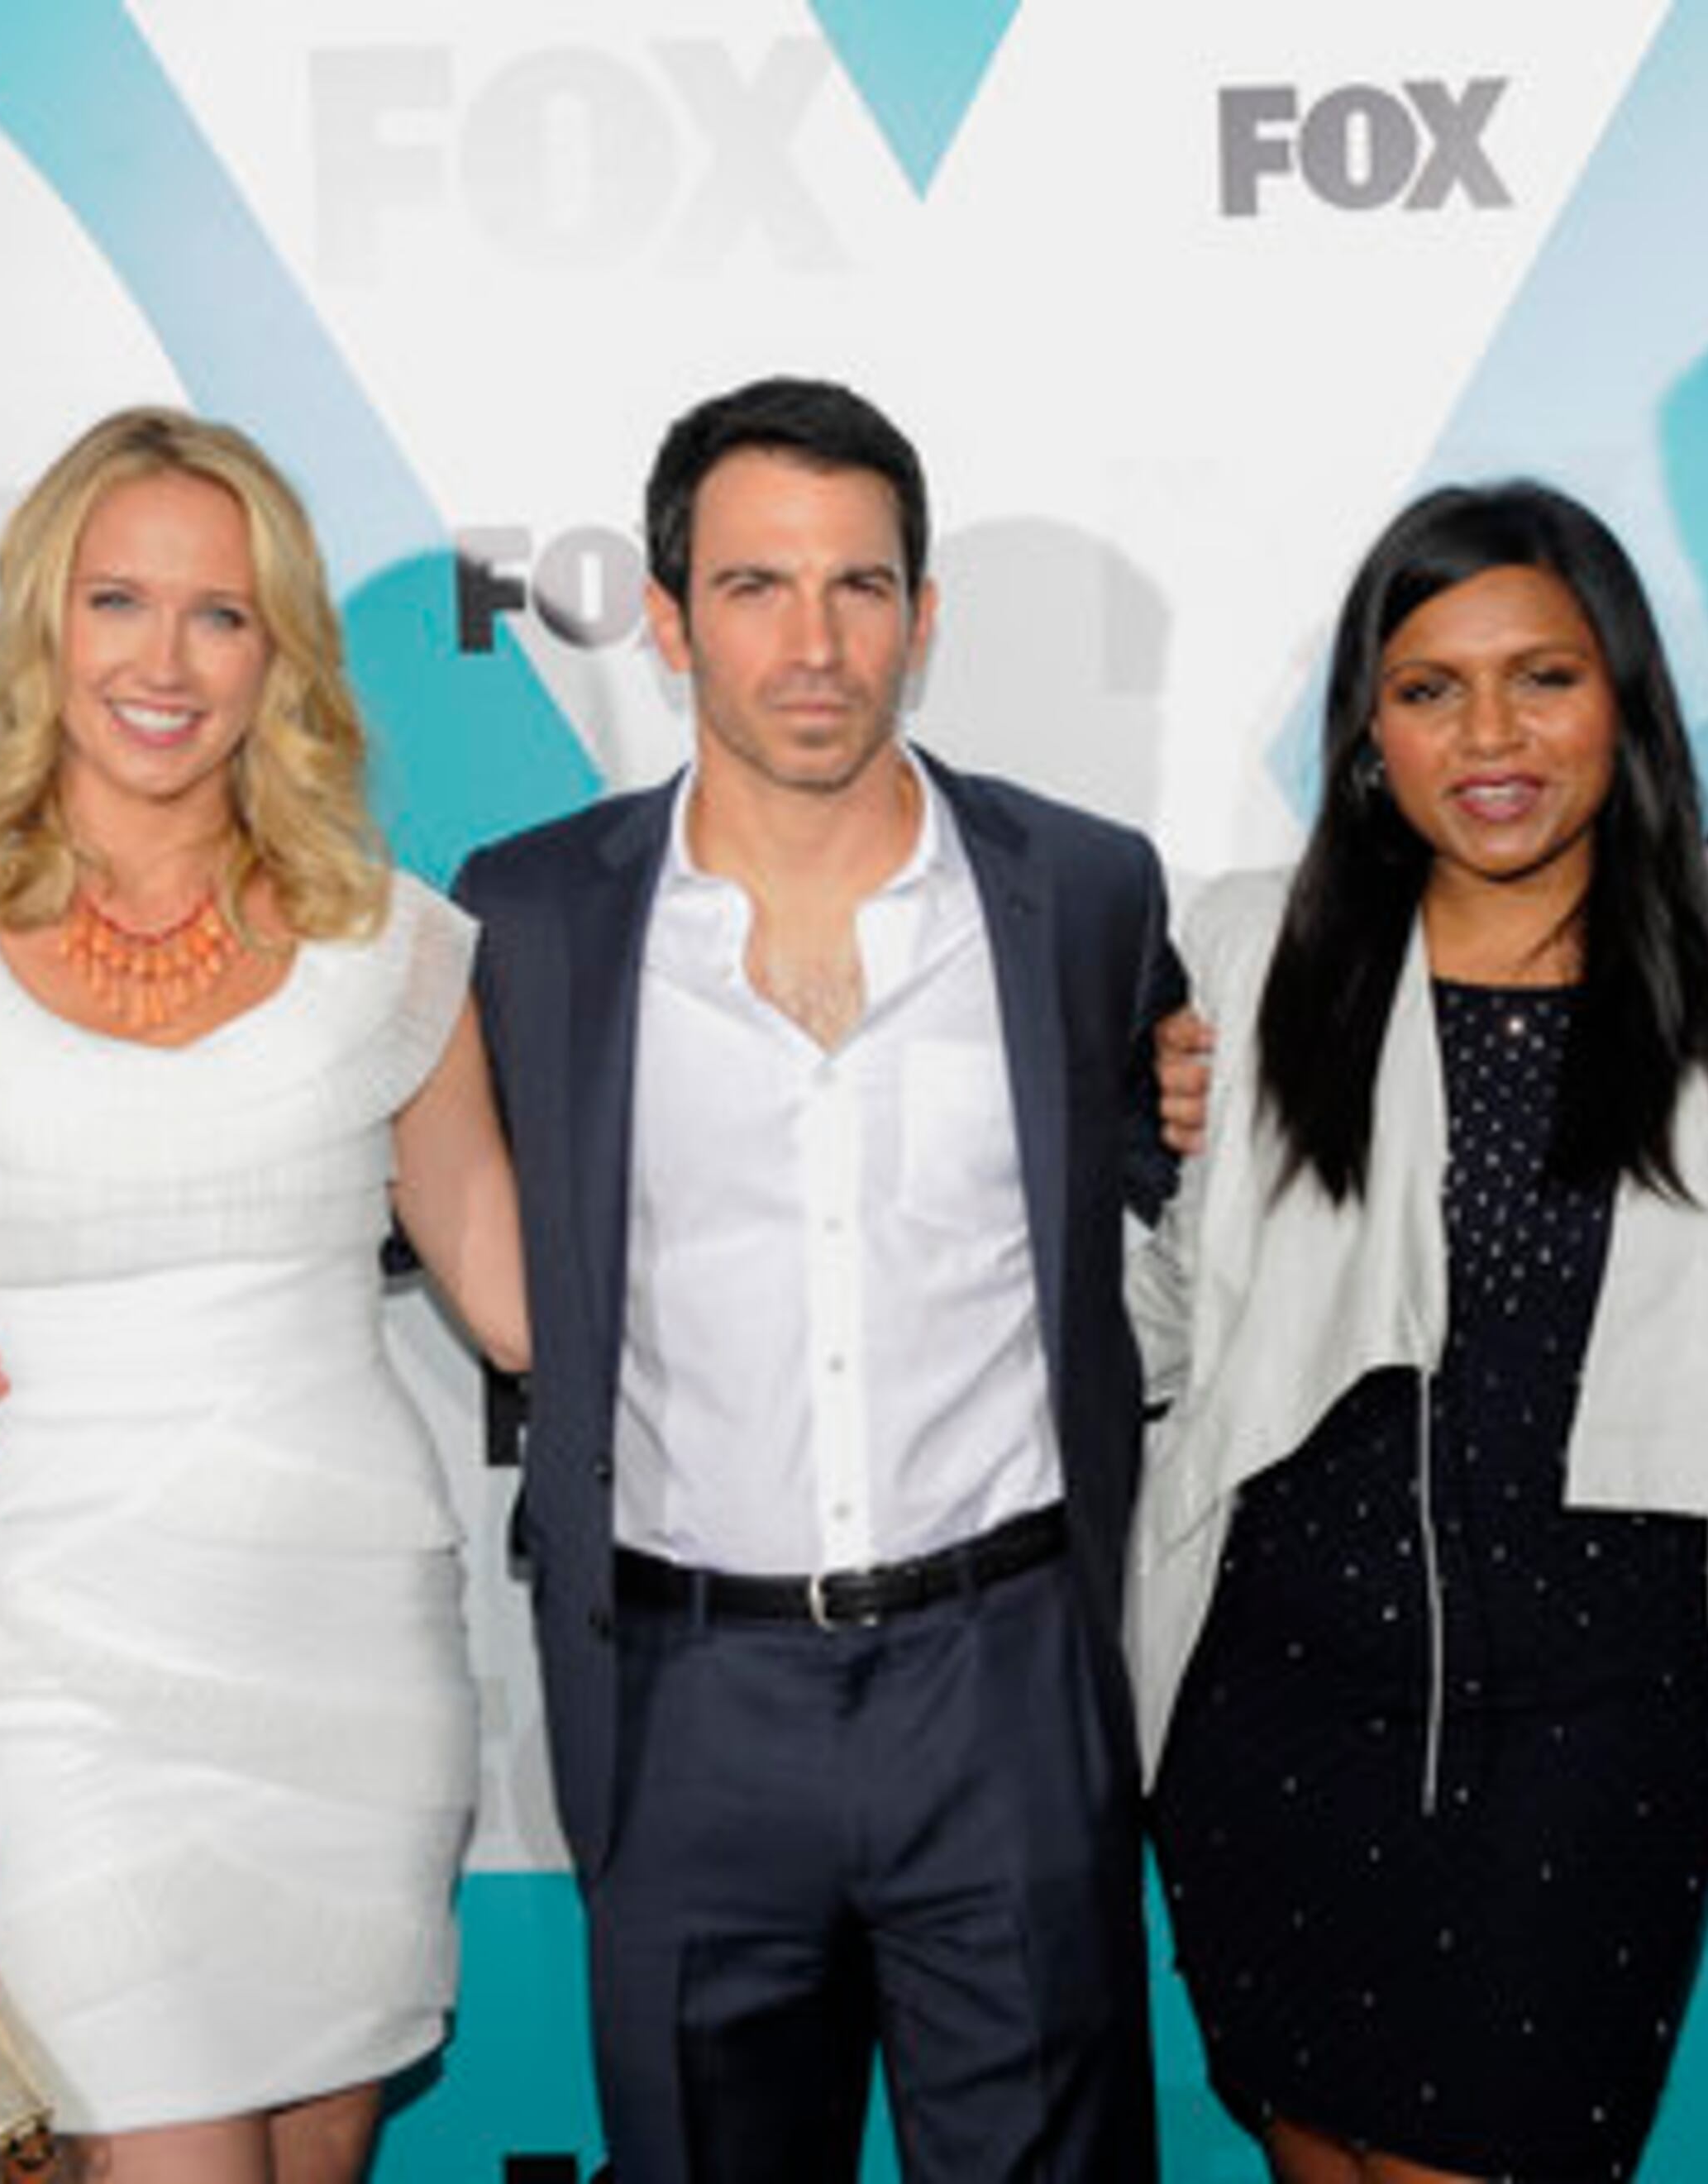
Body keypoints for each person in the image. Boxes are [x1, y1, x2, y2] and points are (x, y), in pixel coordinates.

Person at [450, 375, 1181, 2182]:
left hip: (1005, 1677)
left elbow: (1191, 1176)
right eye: (759, 586)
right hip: (686, 1699)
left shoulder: (1082, 891)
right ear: (670, 613)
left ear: (923, 621)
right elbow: (357, 1178)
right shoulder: (528, 921)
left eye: (860, 587)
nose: (813, 642)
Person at [1128, 481, 1708, 2183]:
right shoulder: (1252, 949)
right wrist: (1127, 1123)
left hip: (1600, 1715)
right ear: (1366, 734)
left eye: (1543, 677)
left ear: (1621, 698)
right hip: (1279, 1693)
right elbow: (1167, 1317)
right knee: (1318, 2154)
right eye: (1428, 688)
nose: (1491, 733)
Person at [0, 406, 527, 2179]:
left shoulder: (396, 947)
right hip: (63, 1685)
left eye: (222, 614)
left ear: (277, 654)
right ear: (41, 624)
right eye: (118, 599)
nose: (166, 659)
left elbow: (526, 1300)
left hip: (352, 1672)